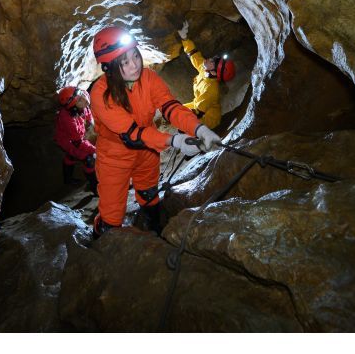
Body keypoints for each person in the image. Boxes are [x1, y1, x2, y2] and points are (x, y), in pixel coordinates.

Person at [89, 26, 221, 237]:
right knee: (112, 217)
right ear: (109, 67)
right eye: (125, 62)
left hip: (147, 153)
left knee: (150, 196)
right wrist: (175, 140)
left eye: (135, 56)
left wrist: (199, 128)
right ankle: (101, 237)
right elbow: (133, 135)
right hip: (115, 156)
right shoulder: (100, 94)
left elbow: (171, 107)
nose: (134, 65)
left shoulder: (148, 78)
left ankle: (152, 227)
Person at [176, 20, 236, 130]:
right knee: (172, 108)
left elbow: (197, 113)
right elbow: (195, 55)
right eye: (213, 59)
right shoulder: (205, 71)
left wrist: (183, 124)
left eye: (212, 62)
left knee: (181, 119)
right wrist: (184, 38)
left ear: (214, 71)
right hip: (197, 105)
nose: (209, 59)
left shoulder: (211, 90)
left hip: (208, 120)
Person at [54, 86, 98, 194]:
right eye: (79, 99)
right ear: (73, 106)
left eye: (81, 95)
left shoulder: (81, 105)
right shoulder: (68, 119)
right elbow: (78, 143)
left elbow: (88, 116)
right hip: (68, 141)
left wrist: (91, 124)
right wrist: (95, 150)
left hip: (76, 138)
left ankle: (67, 180)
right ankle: (94, 187)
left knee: (71, 157)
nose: (84, 99)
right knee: (88, 160)